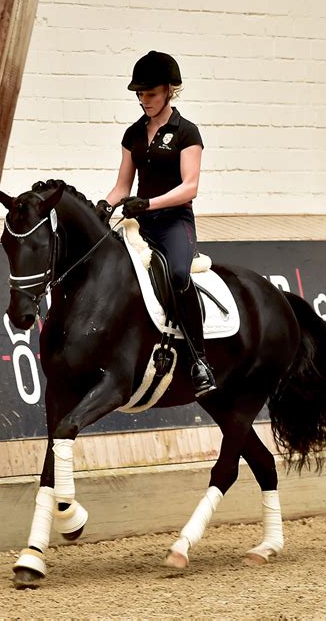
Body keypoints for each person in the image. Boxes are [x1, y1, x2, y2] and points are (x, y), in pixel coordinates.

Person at [96, 50, 216, 397]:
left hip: (174, 222)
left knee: (178, 274)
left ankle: (200, 360)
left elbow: (189, 186)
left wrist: (148, 202)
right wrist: (105, 205)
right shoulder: (133, 134)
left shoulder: (186, 132)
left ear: (168, 91)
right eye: (140, 95)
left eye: (150, 94)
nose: (143, 100)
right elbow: (122, 185)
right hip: (140, 224)